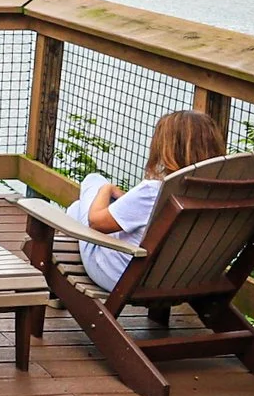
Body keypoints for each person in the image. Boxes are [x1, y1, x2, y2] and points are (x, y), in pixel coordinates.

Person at [67, 109, 226, 291]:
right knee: (81, 207)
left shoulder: (154, 192)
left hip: (119, 275)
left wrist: (107, 189)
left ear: (166, 147)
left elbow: (95, 223)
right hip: (185, 280)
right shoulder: (222, 194)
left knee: (91, 184)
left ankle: (58, 285)